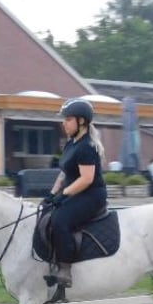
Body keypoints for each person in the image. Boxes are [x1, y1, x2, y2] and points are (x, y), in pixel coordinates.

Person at [43, 98, 107, 288]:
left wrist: (64, 195)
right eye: (64, 120)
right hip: (75, 192)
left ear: (81, 122)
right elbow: (64, 173)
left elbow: (87, 179)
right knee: (45, 213)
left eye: (68, 119)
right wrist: (52, 193)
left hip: (91, 195)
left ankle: (65, 269)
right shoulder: (71, 144)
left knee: (60, 220)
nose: (64, 123)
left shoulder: (87, 146)